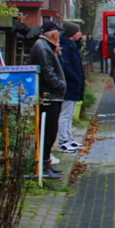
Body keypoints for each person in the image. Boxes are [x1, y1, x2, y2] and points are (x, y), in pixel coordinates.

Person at [29, 20, 67, 180]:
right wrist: (60, 85)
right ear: (54, 34)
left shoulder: (46, 46)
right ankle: (43, 164)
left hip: (51, 95)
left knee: (50, 131)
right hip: (49, 95)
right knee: (47, 131)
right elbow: (48, 71)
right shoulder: (43, 47)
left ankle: (46, 162)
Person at [58, 22, 87, 153]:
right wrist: (75, 78)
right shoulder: (66, 48)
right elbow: (65, 66)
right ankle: (63, 140)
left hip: (74, 85)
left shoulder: (71, 47)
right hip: (70, 85)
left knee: (70, 114)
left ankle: (69, 138)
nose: (80, 34)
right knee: (66, 114)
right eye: (77, 32)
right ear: (71, 33)